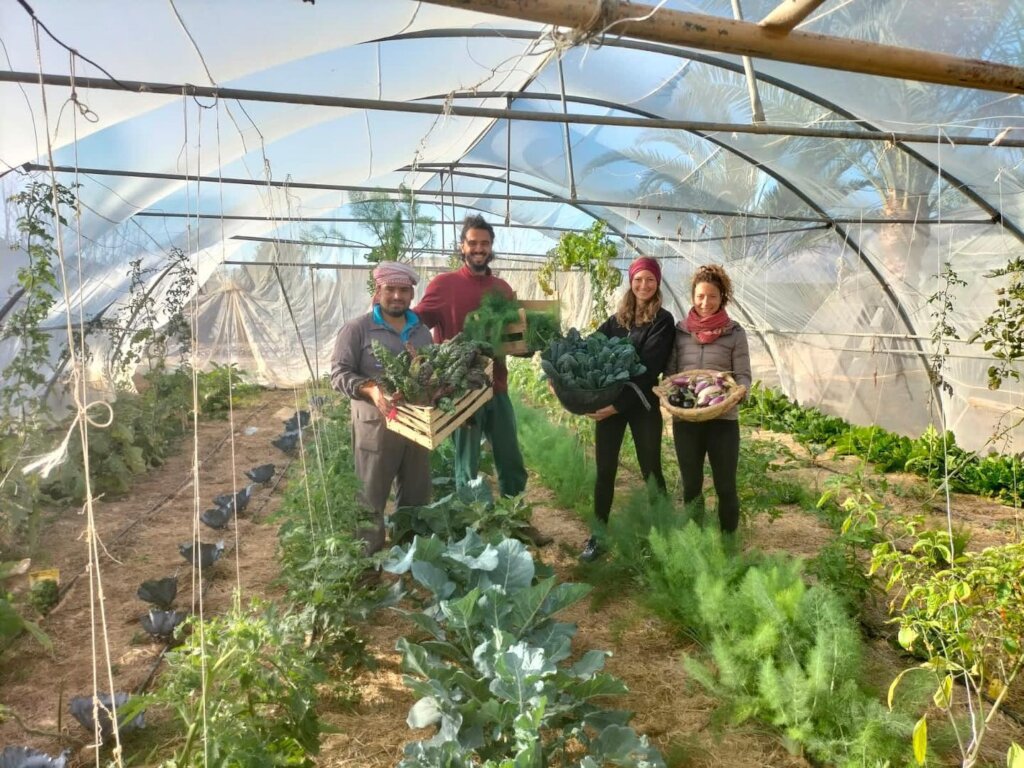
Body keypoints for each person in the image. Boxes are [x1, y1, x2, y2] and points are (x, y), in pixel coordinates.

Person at [413, 214, 528, 505]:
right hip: (460, 391)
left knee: (510, 457)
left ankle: (517, 517)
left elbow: (514, 335)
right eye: (473, 243)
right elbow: (415, 325)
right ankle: (472, 522)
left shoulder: (502, 289)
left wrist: (528, 345)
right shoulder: (443, 285)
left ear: (491, 248)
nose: (479, 249)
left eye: (485, 243)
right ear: (462, 247)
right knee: (467, 464)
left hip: (496, 386)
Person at [330, 261, 433, 554]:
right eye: (391, 289)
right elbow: (338, 374)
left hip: (416, 430)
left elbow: (430, 373)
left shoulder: (421, 332)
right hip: (375, 430)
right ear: (379, 290)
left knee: (416, 496)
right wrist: (372, 389)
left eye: (404, 290)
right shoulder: (358, 329)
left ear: (412, 293)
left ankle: (410, 556)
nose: (397, 296)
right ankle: (367, 563)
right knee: (370, 498)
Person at [579, 257, 675, 561]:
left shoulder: (663, 320)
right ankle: (598, 535)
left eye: (650, 280)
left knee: (650, 469)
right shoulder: (617, 319)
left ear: (657, 283)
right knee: (605, 470)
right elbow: (590, 348)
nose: (644, 285)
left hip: (641, 404)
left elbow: (648, 371)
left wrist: (614, 407)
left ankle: (663, 536)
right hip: (608, 403)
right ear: (630, 282)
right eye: (638, 280)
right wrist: (564, 377)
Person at [666, 264, 752, 537]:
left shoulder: (735, 333)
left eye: (712, 296)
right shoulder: (680, 332)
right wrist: (670, 396)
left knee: (725, 486)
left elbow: (743, 376)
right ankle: (695, 542)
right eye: (700, 296)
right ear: (693, 296)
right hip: (686, 420)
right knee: (691, 485)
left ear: (722, 297)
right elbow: (670, 374)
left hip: (723, 421)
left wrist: (739, 393)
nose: (705, 302)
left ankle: (727, 544)